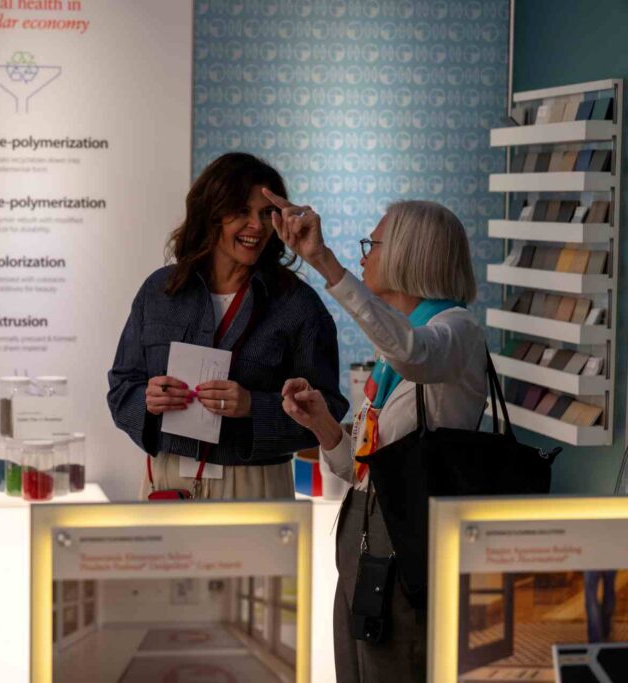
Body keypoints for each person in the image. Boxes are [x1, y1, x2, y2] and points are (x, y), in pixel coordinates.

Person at [271, 194, 486, 682]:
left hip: (406, 544)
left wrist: (325, 262)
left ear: (413, 252)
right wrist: (323, 425)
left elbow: (413, 352)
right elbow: (361, 470)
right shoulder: (399, 346)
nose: (365, 255)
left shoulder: (455, 331)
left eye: (374, 244)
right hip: (363, 536)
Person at [106, 152, 347, 500]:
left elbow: (328, 410)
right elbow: (120, 387)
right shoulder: (159, 291)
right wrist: (147, 400)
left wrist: (253, 406)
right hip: (165, 481)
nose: (257, 226)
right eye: (241, 212)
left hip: (255, 485)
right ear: (212, 214)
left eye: (266, 214)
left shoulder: (299, 305)